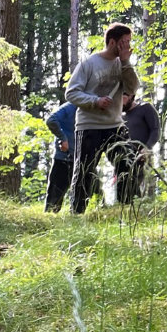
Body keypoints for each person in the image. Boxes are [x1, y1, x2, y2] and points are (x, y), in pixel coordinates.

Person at [66, 23, 139, 214]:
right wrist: (95, 101)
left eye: (129, 42)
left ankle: (126, 211)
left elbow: (132, 88)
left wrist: (126, 63)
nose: (127, 46)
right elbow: (71, 93)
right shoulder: (88, 64)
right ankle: (77, 213)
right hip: (89, 126)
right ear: (112, 42)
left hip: (115, 125)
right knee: (85, 171)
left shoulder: (123, 65)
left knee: (126, 165)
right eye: (124, 42)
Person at [112, 92, 160, 204]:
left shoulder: (145, 108)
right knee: (123, 188)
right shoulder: (119, 115)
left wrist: (146, 148)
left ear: (131, 96)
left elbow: (155, 130)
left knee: (139, 187)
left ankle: (142, 210)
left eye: (122, 98)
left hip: (142, 157)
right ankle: (125, 211)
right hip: (123, 159)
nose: (120, 102)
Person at [43, 101, 78, 213]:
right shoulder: (70, 107)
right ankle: (49, 221)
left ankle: (76, 218)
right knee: (55, 196)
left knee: (85, 194)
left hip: (82, 158)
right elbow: (51, 120)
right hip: (64, 157)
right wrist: (63, 138)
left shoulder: (91, 108)